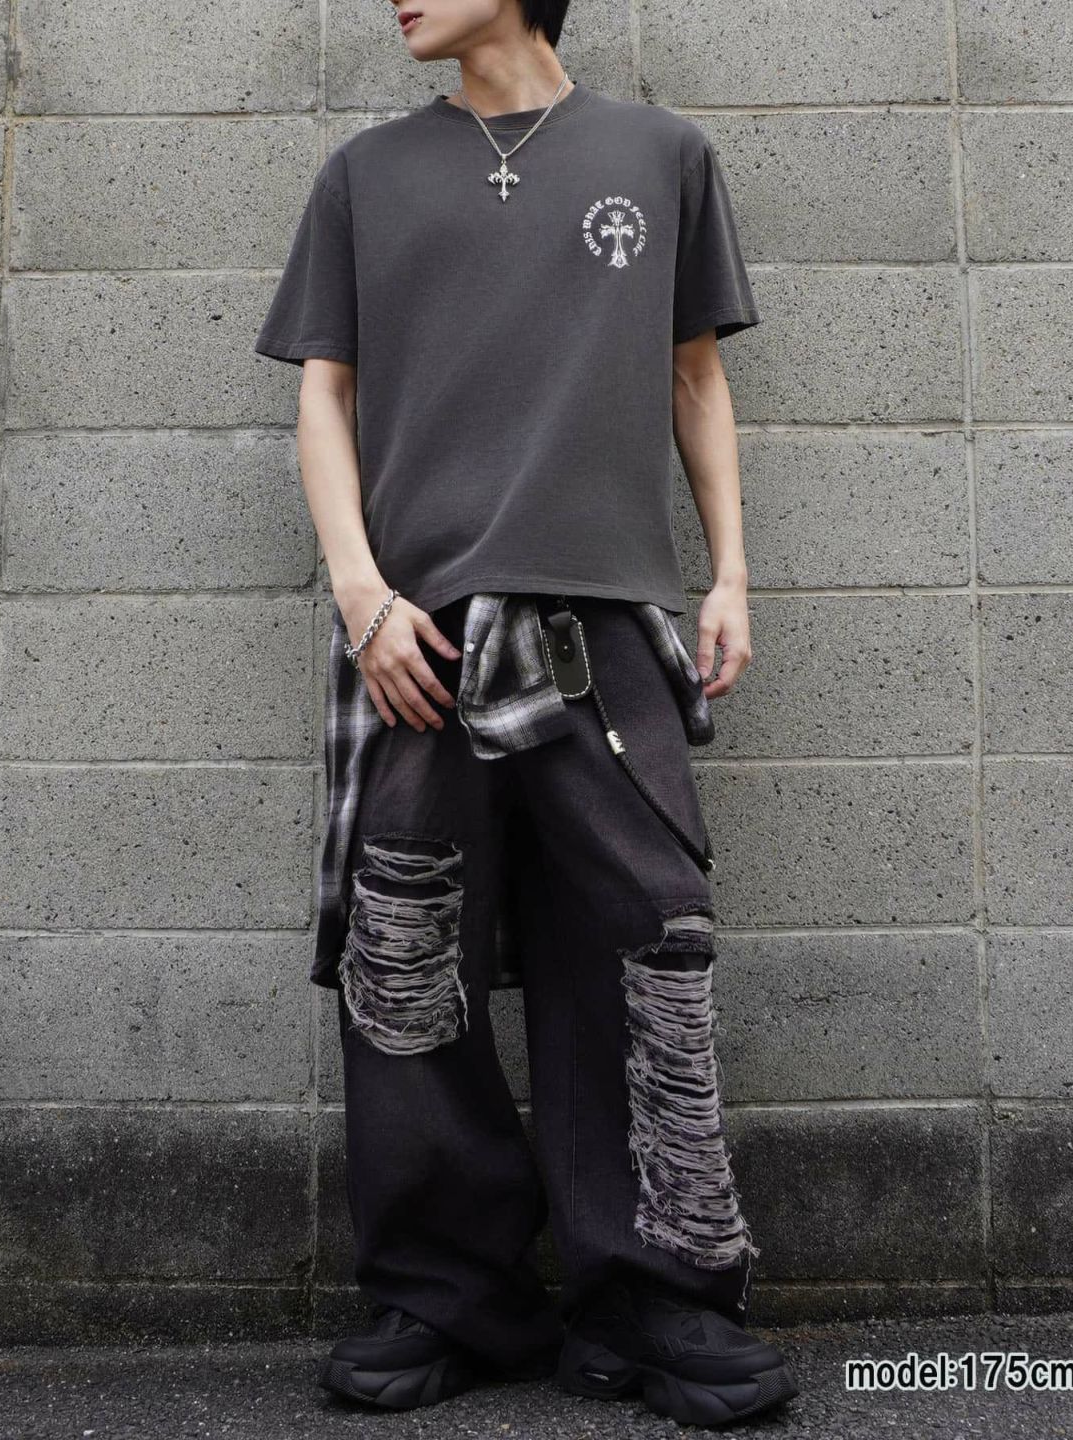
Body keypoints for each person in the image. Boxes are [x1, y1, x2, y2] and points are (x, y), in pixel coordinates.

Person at [253, 0, 800, 1427]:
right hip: (419, 634)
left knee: (644, 940)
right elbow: (326, 398)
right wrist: (362, 594)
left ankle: (654, 1296)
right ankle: (449, 1297)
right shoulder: (366, 174)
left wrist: (730, 574)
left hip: (607, 624)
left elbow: (695, 373)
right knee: (409, 954)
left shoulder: (660, 155)